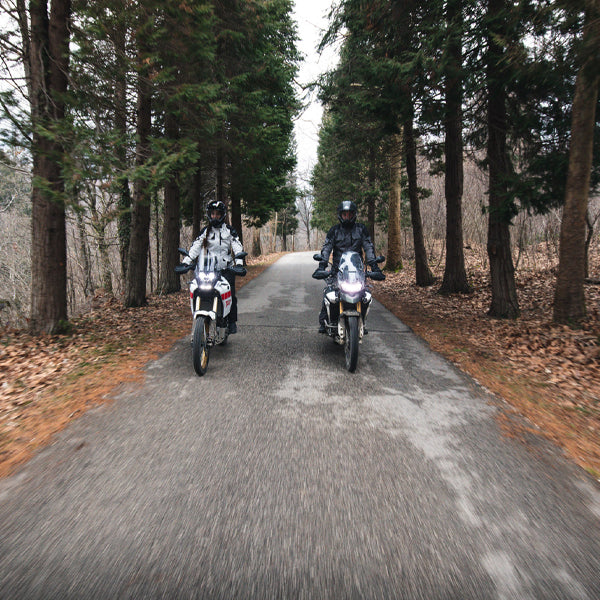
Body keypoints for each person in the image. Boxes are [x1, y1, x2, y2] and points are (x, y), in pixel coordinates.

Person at [314, 200, 383, 333]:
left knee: (365, 294)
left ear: (354, 215)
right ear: (340, 215)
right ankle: (325, 322)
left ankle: (362, 320)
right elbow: (327, 248)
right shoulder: (334, 231)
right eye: (344, 214)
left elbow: (368, 247)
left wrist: (374, 266)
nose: (347, 217)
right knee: (329, 294)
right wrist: (322, 266)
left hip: (356, 272)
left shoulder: (361, 229)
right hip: (337, 271)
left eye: (350, 214)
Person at [181, 200, 245, 333]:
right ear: (209, 215)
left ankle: (231, 321)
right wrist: (186, 262)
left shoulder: (229, 231)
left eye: (218, 214)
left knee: (231, 295)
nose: (215, 216)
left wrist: (238, 264)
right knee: (200, 290)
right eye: (213, 213)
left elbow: (237, 247)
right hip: (207, 269)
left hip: (226, 269)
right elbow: (195, 247)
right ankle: (200, 320)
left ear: (223, 215)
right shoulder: (205, 231)